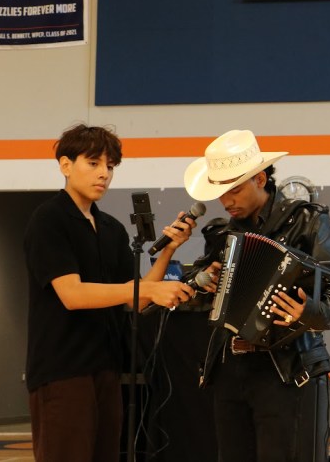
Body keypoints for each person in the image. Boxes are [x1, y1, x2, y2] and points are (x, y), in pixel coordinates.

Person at [24, 123, 197, 462]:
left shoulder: (111, 229)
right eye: (93, 163)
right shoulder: (49, 219)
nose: (104, 173)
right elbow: (72, 294)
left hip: (107, 368)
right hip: (62, 369)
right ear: (65, 165)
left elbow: (138, 297)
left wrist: (169, 250)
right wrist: (148, 288)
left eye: (110, 166)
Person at [184, 129, 330, 462]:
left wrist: (307, 310)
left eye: (235, 189)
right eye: (221, 193)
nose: (226, 201)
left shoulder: (307, 220)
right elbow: (193, 287)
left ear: (260, 179)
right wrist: (205, 282)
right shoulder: (222, 233)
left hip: (285, 369)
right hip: (229, 369)